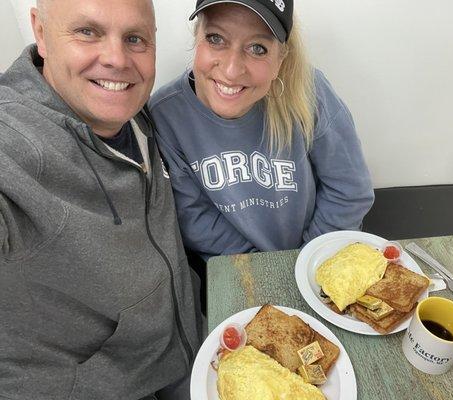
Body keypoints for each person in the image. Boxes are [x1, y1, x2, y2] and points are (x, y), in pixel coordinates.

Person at [0, 0, 201, 399]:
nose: (116, 59)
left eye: (135, 38)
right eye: (87, 32)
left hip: (187, 345)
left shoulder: (137, 112)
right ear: (40, 31)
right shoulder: (17, 143)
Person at [149, 0, 375, 260]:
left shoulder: (310, 92)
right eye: (215, 38)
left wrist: (306, 263)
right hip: (233, 271)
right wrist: (262, 269)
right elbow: (194, 217)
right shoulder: (166, 114)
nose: (232, 70)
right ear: (196, 36)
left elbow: (349, 191)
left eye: (258, 48)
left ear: (280, 59)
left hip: (318, 259)